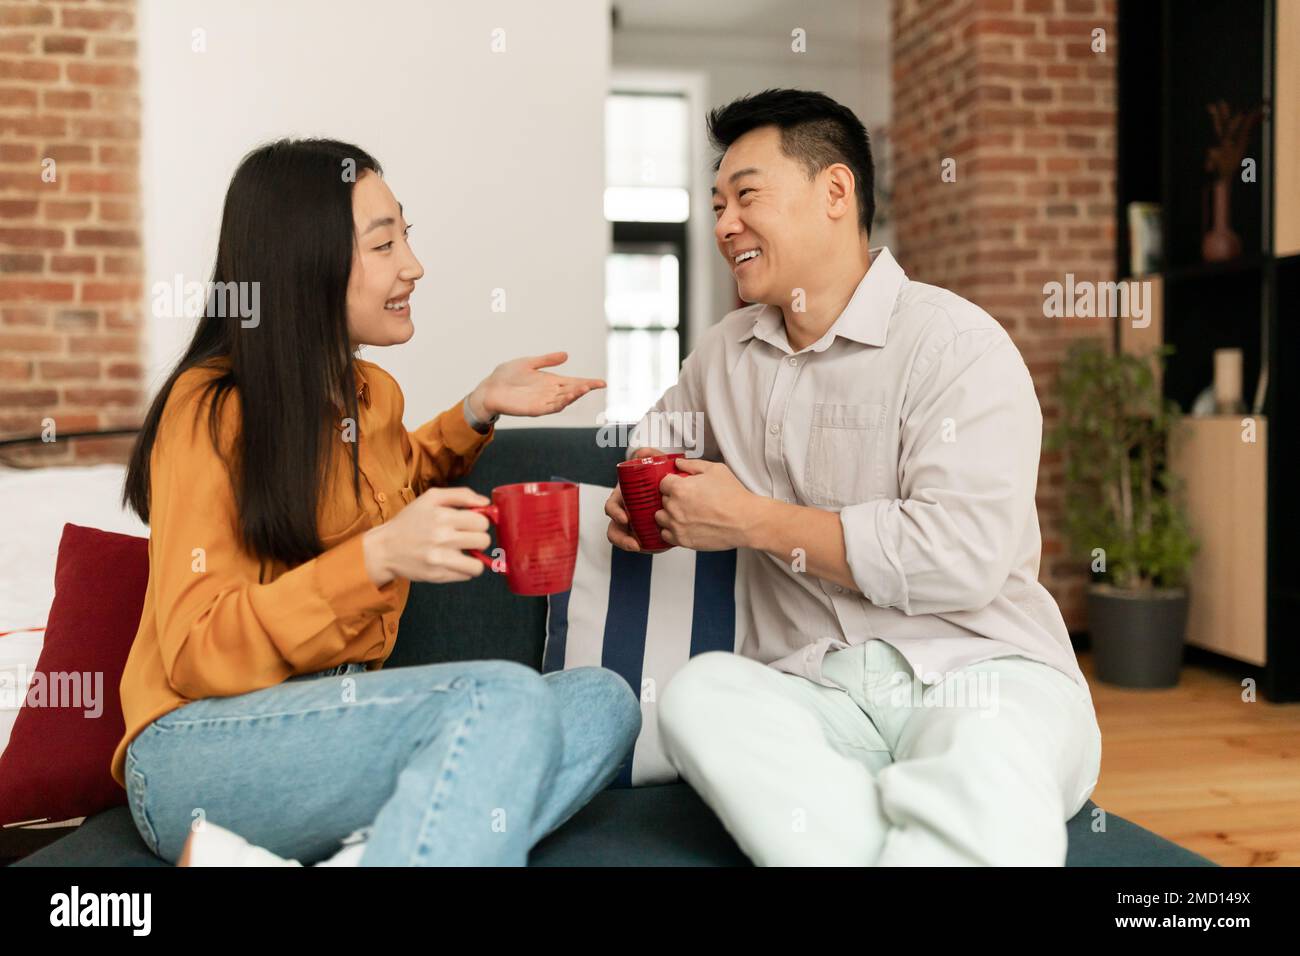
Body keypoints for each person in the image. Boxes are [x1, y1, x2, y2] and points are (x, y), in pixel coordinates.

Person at [604, 89, 1102, 866]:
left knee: (985, 754)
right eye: (715, 204)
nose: (724, 222)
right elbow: (655, 441)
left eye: (746, 196)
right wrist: (641, 499)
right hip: (816, 694)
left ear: (836, 192)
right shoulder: (724, 357)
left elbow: (961, 556)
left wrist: (749, 520)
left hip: (975, 672)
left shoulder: (955, 345)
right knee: (701, 696)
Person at [116, 138, 641, 866]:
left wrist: (478, 407)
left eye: (407, 236)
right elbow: (197, 653)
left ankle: (386, 851)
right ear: (309, 264)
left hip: (342, 725)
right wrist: (373, 559)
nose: (413, 266)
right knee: (506, 701)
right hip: (200, 745)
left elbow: (391, 485)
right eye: (384, 243)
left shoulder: (370, 395)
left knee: (603, 702)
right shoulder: (211, 411)